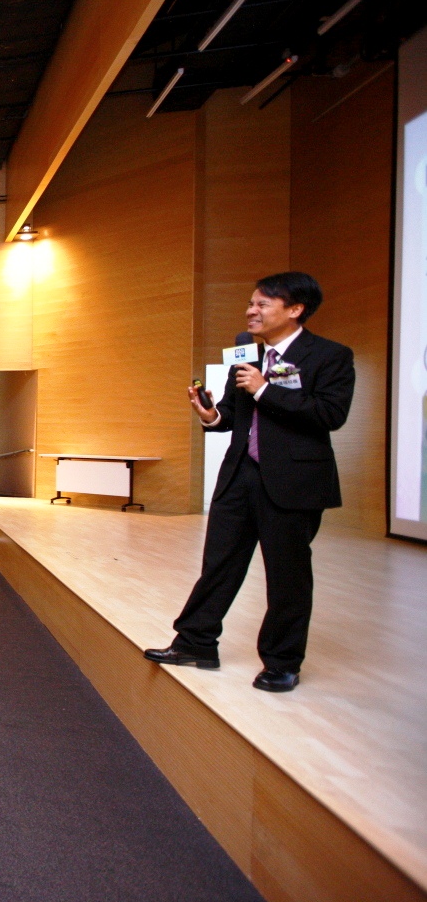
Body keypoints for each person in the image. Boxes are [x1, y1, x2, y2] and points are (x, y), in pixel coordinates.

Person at [146, 272, 356, 693]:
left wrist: (264, 391)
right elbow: (231, 414)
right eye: (250, 303)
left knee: (287, 576)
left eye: (262, 304)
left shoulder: (329, 355)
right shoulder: (248, 357)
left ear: (295, 309)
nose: (250, 311)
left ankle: (282, 662)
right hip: (240, 476)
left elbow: (330, 414)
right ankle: (195, 643)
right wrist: (210, 415)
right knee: (219, 564)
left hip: (293, 481)